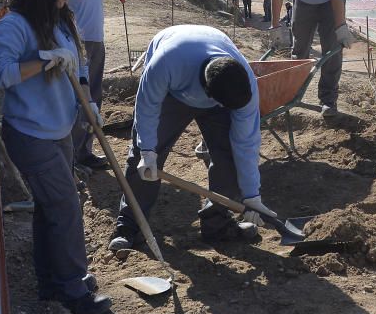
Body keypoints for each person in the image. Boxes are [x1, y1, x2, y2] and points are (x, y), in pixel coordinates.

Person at [0, 0, 111, 314]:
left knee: (49, 208)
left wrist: (88, 101)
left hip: (61, 130)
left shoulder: (62, 18)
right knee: (67, 206)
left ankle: (50, 282)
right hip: (30, 134)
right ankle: (74, 287)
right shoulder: (15, 27)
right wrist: (44, 61)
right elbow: (0, 74)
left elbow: (81, 64)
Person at [108, 25, 277, 250]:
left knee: (229, 156)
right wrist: (147, 150)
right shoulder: (166, 62)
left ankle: (216, 223)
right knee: (144, 158)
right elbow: (147, 108)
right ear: (208, 95)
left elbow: (246, 143)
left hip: (216, 88)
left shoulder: (243, 86)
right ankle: (129, 226)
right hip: (172, 91)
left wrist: (251, 194)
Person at [51, 0, 110, 171]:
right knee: (75, 99)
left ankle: (85, 150)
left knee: (93, 96)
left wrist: (91, 6)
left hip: (95, 39)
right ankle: (70, 156)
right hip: (73, 42)